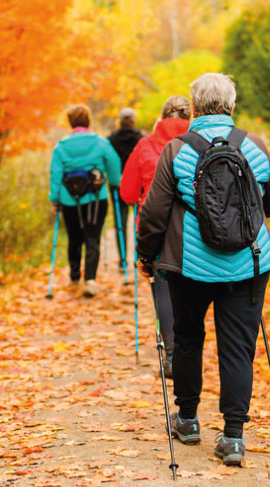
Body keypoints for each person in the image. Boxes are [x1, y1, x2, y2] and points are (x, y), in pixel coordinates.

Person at [136, 74, 270, 466]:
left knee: (187, 337)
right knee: (239, 347)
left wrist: (147, 257)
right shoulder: (254, 147)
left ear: (195, 108)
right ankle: (233, 437)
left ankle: (187, 420)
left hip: (189, 266)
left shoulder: (175, 151)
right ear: (232, 107)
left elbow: (154, 214)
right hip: (249, 264)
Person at [120, 96, 191, 378]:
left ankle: (173, 354)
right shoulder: (200, 141)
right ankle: (190, 351)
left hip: (155, 228)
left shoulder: (145, 145)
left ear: (161, 117)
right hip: (193, 226)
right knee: (192, 289)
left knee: (162, 285)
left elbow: (126, 193)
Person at [50, 104, 121, 297]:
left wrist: (55, 199)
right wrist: (115, 183)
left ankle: (74, 278)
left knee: (74, 238)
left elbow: (56, 174)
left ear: (71, 122)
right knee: (92, 236)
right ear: (88, 121)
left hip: (69, 200)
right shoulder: (100, 142)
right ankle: (90, 280)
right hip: (96, 198)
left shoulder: (61, 146)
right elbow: (114, 165)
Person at [108, 108, 143, 273]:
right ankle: (139, 257)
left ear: (120, 121)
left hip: (117, 185)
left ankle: (123, 261)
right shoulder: (140, 138)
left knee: (120, 223)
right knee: (139, 222)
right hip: (137, 183)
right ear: (133, 121)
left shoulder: (111, 139)